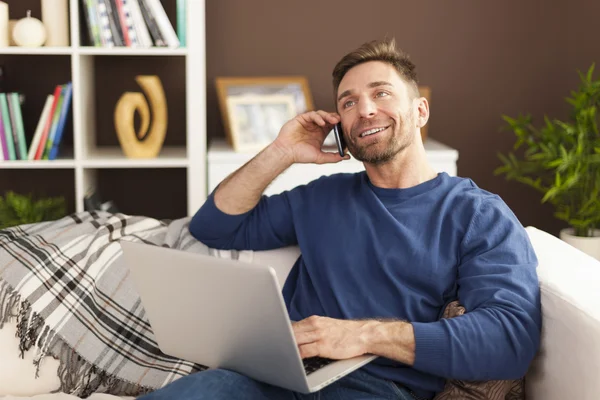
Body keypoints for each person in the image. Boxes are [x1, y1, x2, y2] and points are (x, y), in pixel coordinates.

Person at [139, 38, 542, 400]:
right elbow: (213, 226)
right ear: (342, 128)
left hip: (380, 387)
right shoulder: (322, 196)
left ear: (420, 111)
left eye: (381, 93)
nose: (364, 110)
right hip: (268, 379)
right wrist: (281, 151)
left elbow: (509, 340)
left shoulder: (478, 213)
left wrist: (361, 334)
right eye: (348, 102)